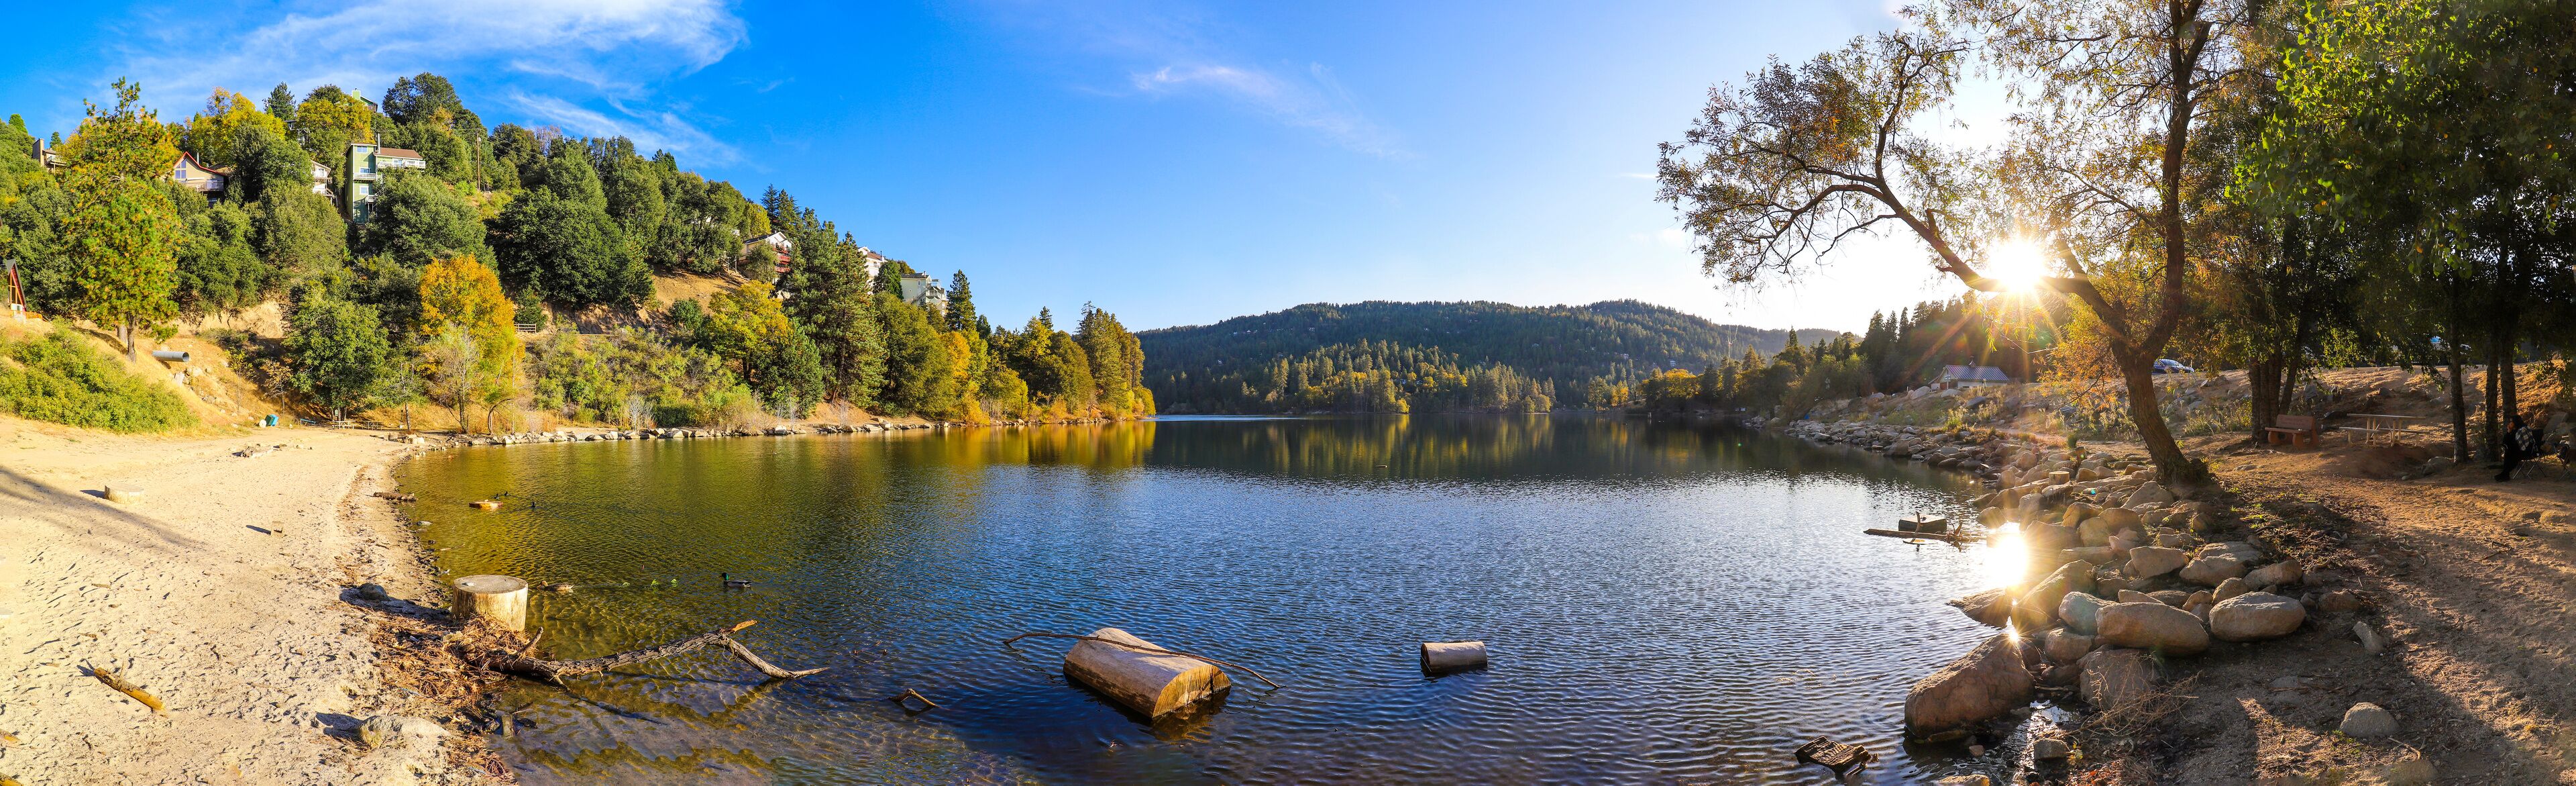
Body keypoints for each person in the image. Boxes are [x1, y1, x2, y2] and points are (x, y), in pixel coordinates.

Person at [2496, 413, 2538, 482]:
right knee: (2509, 453)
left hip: (2527, 452)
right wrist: (2509, 431)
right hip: (2519, 451)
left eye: (2511, 422)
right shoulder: (2515, 430)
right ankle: (2505, 474)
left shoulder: (2522, 430)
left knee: (2510, 454)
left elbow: (2518, 444)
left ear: (2515, 422)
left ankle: (2505, 474)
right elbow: (2506, 442)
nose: (2510, 423)